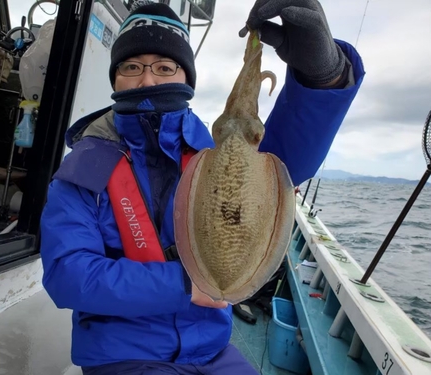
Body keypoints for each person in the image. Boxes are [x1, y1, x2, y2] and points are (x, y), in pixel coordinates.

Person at [40, 0, 365, 374]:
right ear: (115, 79)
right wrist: (182, 284)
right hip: (124, 354)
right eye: (131, 67)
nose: (147, 80)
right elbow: (68, 274)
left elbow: (287, 161)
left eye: (164, 67)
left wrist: (323, 77)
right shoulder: (83, 169)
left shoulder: (209, 152)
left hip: (212, 352)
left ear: (186, 79)